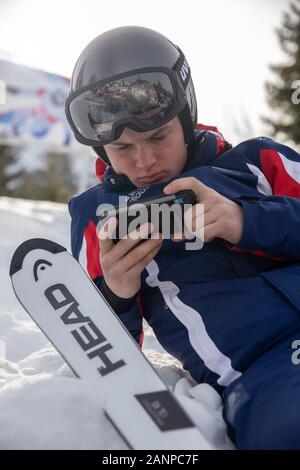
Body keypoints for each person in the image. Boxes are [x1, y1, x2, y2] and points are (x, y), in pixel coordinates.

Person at [65, 26, 300, 450]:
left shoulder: (258, 161)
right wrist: (115, 294)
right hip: (264, 372)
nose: (146, 160)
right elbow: (106, 359)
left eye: (158, 136)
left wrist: (247, 220)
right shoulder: (97, 220)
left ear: (187, 117)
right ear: (102, 151)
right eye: (122, 147)